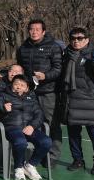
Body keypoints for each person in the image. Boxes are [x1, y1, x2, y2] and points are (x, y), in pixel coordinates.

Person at [60, 27, 94, 174]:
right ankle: (77, 160)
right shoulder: (66, 54)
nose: (76, 41)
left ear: (87, 40)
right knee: (73, 133)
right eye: (73, 38)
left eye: (80, 38)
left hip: (90, 101)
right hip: (71, 99)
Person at [16, 19, 64, 161]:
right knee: (29, 122)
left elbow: (58, 69)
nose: (34, 31)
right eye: (31, 29)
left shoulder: (53, 47)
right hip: (29, 92)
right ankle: (34, 153)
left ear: (43, 31)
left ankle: (53, 156)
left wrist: (46, 76)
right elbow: (20, 69)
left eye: (38, 29)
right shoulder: (23, 48)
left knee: (51, 123)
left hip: (48, 92)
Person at [0, 74, 50, 180]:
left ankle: (30, 165)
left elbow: (39, 114)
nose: (18, 87)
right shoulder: (3, 95)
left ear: (27, 87)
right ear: (11, 84)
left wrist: (32, 126)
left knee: (46, 142)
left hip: (29, 128)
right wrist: (3, 109)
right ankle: (18, 167)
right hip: (12, 128)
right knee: (20, 142)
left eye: (22, 85)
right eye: (16, 84)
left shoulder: (31, 97)